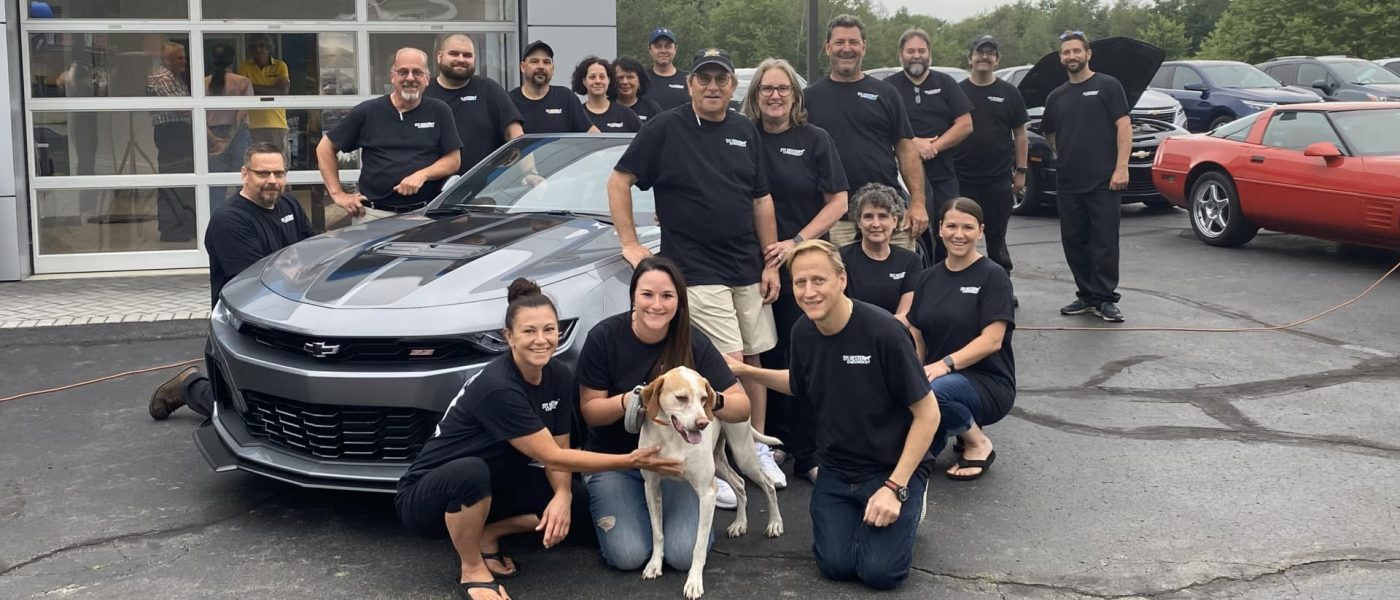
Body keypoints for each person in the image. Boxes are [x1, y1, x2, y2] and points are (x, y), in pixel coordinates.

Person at [396, 278, 685, 600]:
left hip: (498, 482)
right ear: (509, 336)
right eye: (529, 331)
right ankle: (472, 567)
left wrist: (562, 495)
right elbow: (551, 455)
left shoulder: (558, 374)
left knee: (579, 503)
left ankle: (489, 532)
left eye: (549, 330)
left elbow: (561, 446)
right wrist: (631, 460)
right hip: (432, 497)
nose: (541, 340)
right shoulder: (498, 386)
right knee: (470, 473)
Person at [608, 48, 781, 494]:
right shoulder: (664, 128)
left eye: (721, 79)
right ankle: (712, 463)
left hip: (747, 266)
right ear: (690, 84)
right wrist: (629, 242)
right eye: (704, 78)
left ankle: (754, 452)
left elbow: (761, 199)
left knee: (753, 361)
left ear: (733, 86)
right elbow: (619, 179)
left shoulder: (745, 130)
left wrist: (770, 261)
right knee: (728, 366)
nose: (713, 86)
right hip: (697, 269)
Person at [728, 240, 938, 591]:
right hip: (837, 469)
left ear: (842, 279)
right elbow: (799, 382)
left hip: (889, 467)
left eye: (819, 280)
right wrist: (745, 371)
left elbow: (928, 414)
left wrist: (895, 486)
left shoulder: (884, 332)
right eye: (800, 282)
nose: (808, 291)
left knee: (880, 572)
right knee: (835, 565)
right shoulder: (803, 331)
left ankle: (912, 493)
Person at [576, 256, 753, 569]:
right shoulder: (604, 337)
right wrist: (634, 399)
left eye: (667, 296)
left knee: (682, 556)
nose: (656, 305)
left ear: (679, 300)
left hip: (673, 464)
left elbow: (742, 406)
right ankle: (629, 512)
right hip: (614, 461)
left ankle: (658, 520)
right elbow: (590, 412)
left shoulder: (692, 341)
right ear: (633, 296)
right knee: (628, 556)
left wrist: (708, 400)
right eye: (647, 294)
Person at [738, 57, 848, 486]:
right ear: (755, 95)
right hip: (751, 268)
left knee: (803, 358)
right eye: (767, 88)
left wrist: (796, 242)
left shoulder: (815, 139)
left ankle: (807, 452)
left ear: (795, 96)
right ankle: (772, 443)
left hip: (802, 267)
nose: (775, 96)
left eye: (783, 88)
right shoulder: (742, 137)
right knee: (767, 356)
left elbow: (838, 201)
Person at [148, 143, 314, 420]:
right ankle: (190, 386)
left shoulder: (290, 206)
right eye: (263, 173)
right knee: (242, 414)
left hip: (288, 314)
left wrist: (295, 268)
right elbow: (260, 281)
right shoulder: (229, 220)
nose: (272, 180)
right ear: (245, 174)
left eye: (279, 173)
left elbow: (312, 253)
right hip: (243, 323)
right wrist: (294, 266)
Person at [905, 198, 1016, 481]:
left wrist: (945, 364)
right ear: (940, 228)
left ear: (980, 231)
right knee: (900, 451)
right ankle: (943, 433)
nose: (959, 234)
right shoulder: (927, 278)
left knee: (933, 392)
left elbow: (992, 340)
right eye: (952, 226)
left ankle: (977, 442)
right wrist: (912, 377)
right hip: (935, 377)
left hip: (987, 382)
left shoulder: (993, 276)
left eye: (968, 227)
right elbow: (918, 336)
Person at [804, 14, 926, 251]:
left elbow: (907, 151)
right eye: (839, 42)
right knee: (839, 277)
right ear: (827, 48)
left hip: (888, 216)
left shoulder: (886, 94)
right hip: (835, 221)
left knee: (901, 275)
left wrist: (918, 203)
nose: (846, 49)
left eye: (853, 42)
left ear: (864, 47)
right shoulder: (809, 98)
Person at [1042, 30, 1132, 322]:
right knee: (1074, 240)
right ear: (1061, 58)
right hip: (1069, 182)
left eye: (1076, 51)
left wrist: (1121, 166)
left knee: (1104, 242)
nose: (1072, 56)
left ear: (1088, 53)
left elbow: (1124, 126)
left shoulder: (1108, 85)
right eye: (1066, 52)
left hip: (1104, 181)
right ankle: (1086, 295)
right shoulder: (1056, 96)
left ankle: (1105, 298)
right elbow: (1049, 133)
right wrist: (1062, 155)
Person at [316, 48, 462, 224]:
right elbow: (325, 148)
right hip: (373, 215)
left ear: (426, 78)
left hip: (423, 215)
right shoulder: (368, 111)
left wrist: (422, 175)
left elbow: (453, 160)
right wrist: (338, 194)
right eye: (403, 72)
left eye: (417, 72)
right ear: (393, 76)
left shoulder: (439, 110)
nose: (410, 78)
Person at [883, 28, 973, 262]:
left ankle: (948, 277)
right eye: (910, 51)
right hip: (901, 179)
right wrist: (913, 143)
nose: (916, 56)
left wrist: (934, 146)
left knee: (949, 231)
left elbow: (965, 124)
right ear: (901, 54)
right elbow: (880, 128)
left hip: (943, 175)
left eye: (921, 51)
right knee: (911, 233)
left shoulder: (946, 83)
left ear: (929, 53)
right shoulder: (888, 88)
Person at [956, 35, 1029, 284]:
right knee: (962, 235)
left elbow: (1020, 134)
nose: (984, 57)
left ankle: (1001, 286)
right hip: (961, 178)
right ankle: (963, 285)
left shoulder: (1009, 93)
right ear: (970, 58)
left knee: (997, 238)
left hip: (997, 180)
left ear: (997, 59)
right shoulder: (957, 92)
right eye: (980, 52)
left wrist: (1021, 172)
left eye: (990, 53)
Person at [426, 33, 524, 174]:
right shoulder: (425, 93)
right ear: (440, 57)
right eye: (454, 54)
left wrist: (530, 173)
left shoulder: (488, 89)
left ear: (474, 59)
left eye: (467, 55)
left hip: (484, 183)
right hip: (433, 184)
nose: (461, 59)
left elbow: (516, 137)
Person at [839, 184, 922, 320]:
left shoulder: (910, 260)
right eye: (868, 217)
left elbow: (905, 314)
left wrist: (884, 329)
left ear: (894, 221)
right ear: (859, 222)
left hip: (896, 330)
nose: (875, 224)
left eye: (882, 216)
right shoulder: (841, 258)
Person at [145, 41, 196, 243]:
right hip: (171, 133)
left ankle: (186, 225)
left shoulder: (176, 78)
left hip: (181, 132)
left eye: (184, 57)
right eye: (179, 58)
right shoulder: (161, 78)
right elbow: (182, 108)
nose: (184, 62)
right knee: (173, 181)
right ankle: (171, 228)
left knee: (186, 181)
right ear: (166, 60)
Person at [509, 40, 597, 134]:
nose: (541, 66)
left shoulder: (566, 98)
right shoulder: (509, 101)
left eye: (546, 62)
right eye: (534, 61)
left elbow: (594, 135)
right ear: (523, 67)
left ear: (553, 68)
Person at [205, 43, 254, 191]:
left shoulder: (203, 83)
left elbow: (198, 118)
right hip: (237, 134)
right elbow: (241, 115)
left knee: (215, 186)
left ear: (213, 60)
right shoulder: (242, 82)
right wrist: (228, 140)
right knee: (244, 184)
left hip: (212, 136)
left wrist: (215, 140)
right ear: (233, 60)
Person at [237, 36, 291, 159]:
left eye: (262, 46)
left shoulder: (280, 66)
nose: (258, 49)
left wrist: (252, 86)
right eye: (254, 47)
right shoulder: (244, 67)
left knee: (277, 161)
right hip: (252, 125)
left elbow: (283, 92)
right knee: (255, 161)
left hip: (277, 123)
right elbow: (243, 91)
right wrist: (272, 89)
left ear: (269, 48)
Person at [572, 56, 642, 133]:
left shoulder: (626, 114)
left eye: (602, 77)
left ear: (609, 80)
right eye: (592, 77)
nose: (598, 81)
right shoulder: (577, 115)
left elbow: (644, 138)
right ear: (584, 81)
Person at [642, 27, 689, 110]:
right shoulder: (641, 79)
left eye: (668, 46)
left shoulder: (689, 79)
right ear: (650, 49)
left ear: (675, 49)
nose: (663, 51)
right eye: (658, 46)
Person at [613, 57, 663, 123]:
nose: (625, 82)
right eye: (620, 77)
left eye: (630, 77)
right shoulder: (605, 107)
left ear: (640, 80)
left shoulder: (651, 108)